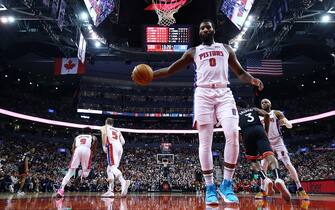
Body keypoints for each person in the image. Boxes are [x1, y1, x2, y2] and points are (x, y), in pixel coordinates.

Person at [141, 19, 264, 204]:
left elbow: (239, 72)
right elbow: (170, 70)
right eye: (202, 28)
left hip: (224, 92)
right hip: (203, 94)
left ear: (213, 29)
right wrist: (152, 75)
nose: (205, 29)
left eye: (208, 27)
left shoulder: (226, 48)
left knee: (232, 133)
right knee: (205, 141)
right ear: (199, 32)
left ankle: (227, 184)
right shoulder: (193, 51)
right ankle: (210, 187)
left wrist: (253, 79)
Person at [236, 101, 290, 201]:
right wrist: (266, 128)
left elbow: (234, 130)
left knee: (253, 160)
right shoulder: (254, 109)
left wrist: (242, 140)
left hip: (246, 133)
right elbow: (266, 115)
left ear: (237, 107)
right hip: (259, 130)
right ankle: (278, 178)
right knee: (270, 155)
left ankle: (265, 179)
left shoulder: (236, 114)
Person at [260, 98, 309, 199]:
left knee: (288, 164)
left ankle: (299, 188)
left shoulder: (276, 112)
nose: (264, 103)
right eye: (262, 102)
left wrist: (285, 122)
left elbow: (288, 124)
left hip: (278, 141)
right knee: (263, 165)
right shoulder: (259, 116)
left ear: (270, 103)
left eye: (266, 101)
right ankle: (262, 190)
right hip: (267, 142)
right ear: (261, 106)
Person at [56, 127, 97, 197]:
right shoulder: (93, 137)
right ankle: (80, 176)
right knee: (86, 173)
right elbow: (94, 148)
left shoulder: (77, 137)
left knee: (70, 172)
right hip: (87, 150)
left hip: (77, 150)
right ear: (90, 132)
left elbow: (73, 148)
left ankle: (61, 190)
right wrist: (93, 155)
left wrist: (75, 156)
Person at [100, 118, 130, 197]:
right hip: (120, 147)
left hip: (112, 146)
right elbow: (123, 142)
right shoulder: (118, 130)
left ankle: (123, 182)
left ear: (106, 122)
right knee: (109, 169)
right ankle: (110, 190)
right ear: (112, 124)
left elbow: (103, 135)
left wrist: (104, 146)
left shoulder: (104, 127)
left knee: (112, 168)